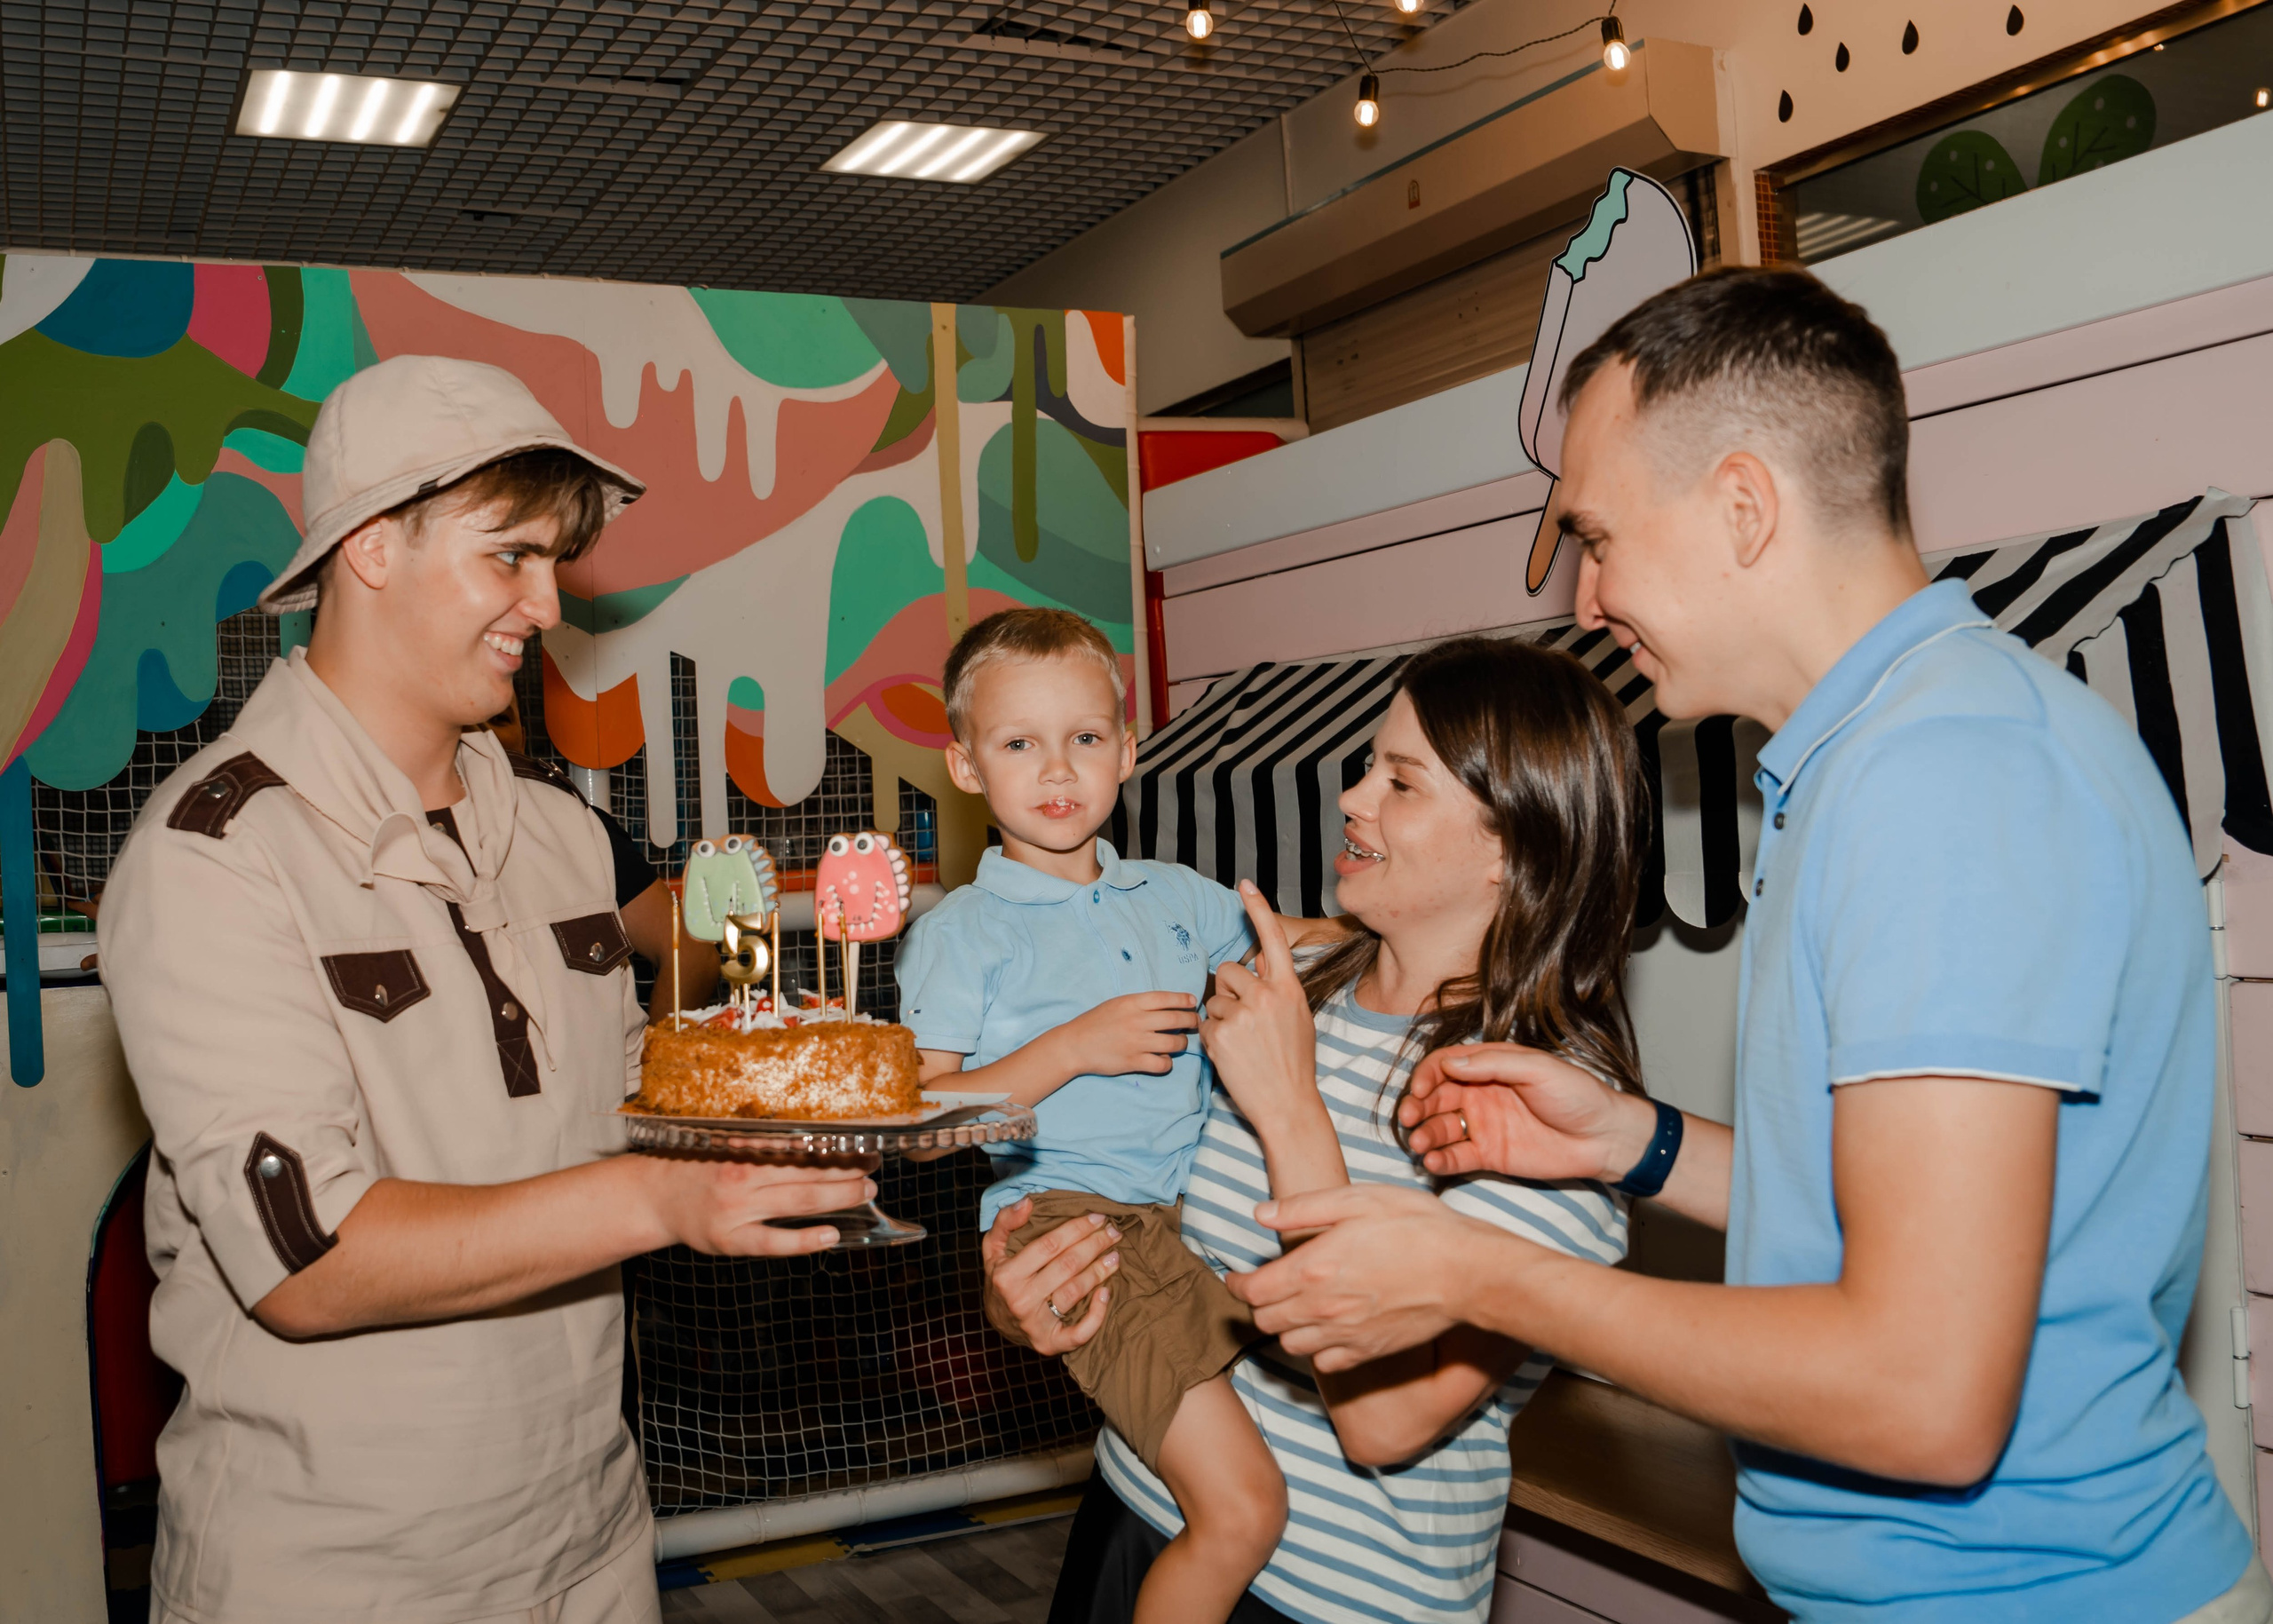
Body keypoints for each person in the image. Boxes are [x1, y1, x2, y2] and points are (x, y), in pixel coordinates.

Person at [1227, 269, 2266, 1623]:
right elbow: (1911, 1205)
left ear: (1742, 507)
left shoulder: (1945, 782)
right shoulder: (1885, 758)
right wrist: (1629, 1143)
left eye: (1598, 535)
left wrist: (1481, 1271)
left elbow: (1920, 1391)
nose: (1588, 597)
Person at [99, 354, 873, 1624]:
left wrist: (805, 1095)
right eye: (508, 555)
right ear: (369, 549)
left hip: (587, 1535)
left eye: (555, 561)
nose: (546, 600)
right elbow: (311, 1261)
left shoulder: (562, 837)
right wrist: (663, 1195)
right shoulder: (217, 857)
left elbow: (621, 1097)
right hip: (339, 1575)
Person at [981, 635, 1638, 1624]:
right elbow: (1154, 1240)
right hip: (1137, 1512)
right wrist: (1032, 1294)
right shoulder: (1294, 992)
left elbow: (1382, 1418)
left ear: (1513, 842)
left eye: (1401, 781)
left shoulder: (1545, 1105)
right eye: (1369, 763)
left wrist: (1291, 1106)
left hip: (1332, 1600)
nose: (1352, 796)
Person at [897, 606, 1289, 1622]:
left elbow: (1294, 947)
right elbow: (920, 1116)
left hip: (1190, 1218)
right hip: (1076, 1225)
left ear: (1126, 748)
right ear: (968, 765)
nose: (1058, 767)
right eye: (1020, 742)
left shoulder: (1173, 894)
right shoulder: (963, 932)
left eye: (1083, 737)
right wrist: (1071, 1048)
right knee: (1242, 1508)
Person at [485, 691, 720, 1021]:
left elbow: (690, 953)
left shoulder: (582, 829)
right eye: (465, 727)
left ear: (523, 732)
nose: (485, 740)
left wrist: (656, 1063)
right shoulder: (398, 841)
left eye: (500, 721)